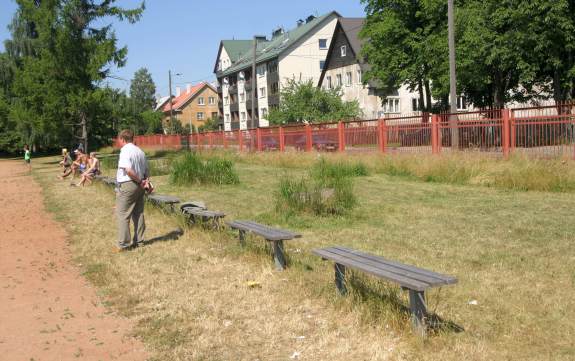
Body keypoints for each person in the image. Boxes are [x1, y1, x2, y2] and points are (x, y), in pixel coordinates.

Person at [115, 129, 150, 251]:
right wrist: (145, 183)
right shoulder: (140, 151)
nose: (118, 142)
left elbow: (128, 170)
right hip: (139, 186)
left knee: (123, 214)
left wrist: (140, 182)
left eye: (118, 140)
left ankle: (123, 244)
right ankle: (139, 241)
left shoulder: (125, 150)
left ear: (122, 139)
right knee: (138, 213)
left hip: (128, 184)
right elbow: (146, 171)